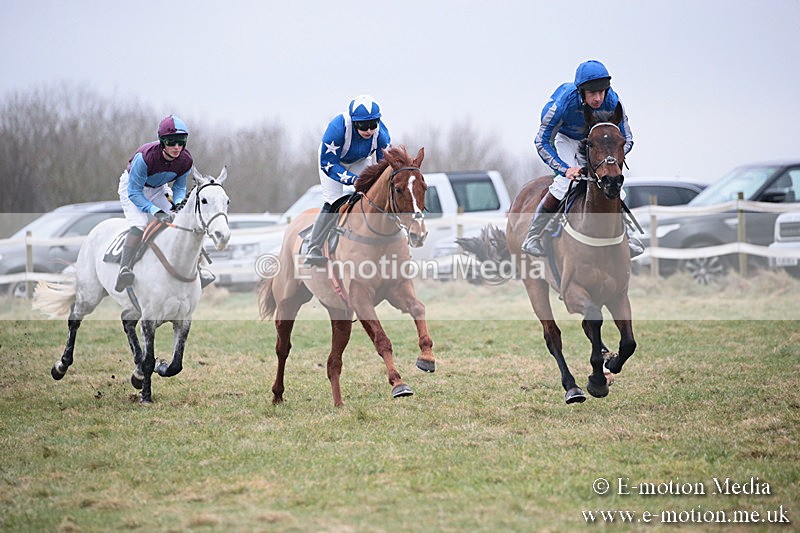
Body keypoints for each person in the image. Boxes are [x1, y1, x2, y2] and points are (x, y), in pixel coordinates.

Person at [521, 60, 644, 258]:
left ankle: (628, 235)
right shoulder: (559, 106)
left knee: (613, 183)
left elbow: (626, 139)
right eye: (592, 93)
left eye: (602, 92)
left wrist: (610, 161)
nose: (598, 99)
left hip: (598, 144)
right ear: (581, 92)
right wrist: (564, 169)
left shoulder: (613, 102)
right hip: (566, 140)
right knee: (563, 183)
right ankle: (533, 235)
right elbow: (541, 142)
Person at [114, 114, 214, 292]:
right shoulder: (145, 158)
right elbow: (135, 193)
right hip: (133, 187)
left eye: (181, 141)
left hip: (160, 188)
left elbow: (180, 188)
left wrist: (177, 205)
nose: (177, 147)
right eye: (172, 142)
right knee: (139, 224)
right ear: (162, 142)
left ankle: (198, 268)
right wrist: (155, 210)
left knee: (183, 220)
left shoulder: (186, 160)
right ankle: (124, 269)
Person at [304, 94, 391, 266]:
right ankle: (313, 247)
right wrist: (352, 179)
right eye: (363, 125)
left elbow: (385, 164)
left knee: (368, 196)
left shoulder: (382, 134)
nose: (368, 130)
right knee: (334, 200)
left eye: (372, 125)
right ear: (353, 122)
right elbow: (328, 163)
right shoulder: (337, 128)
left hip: (360, 160)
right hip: (333, 162)